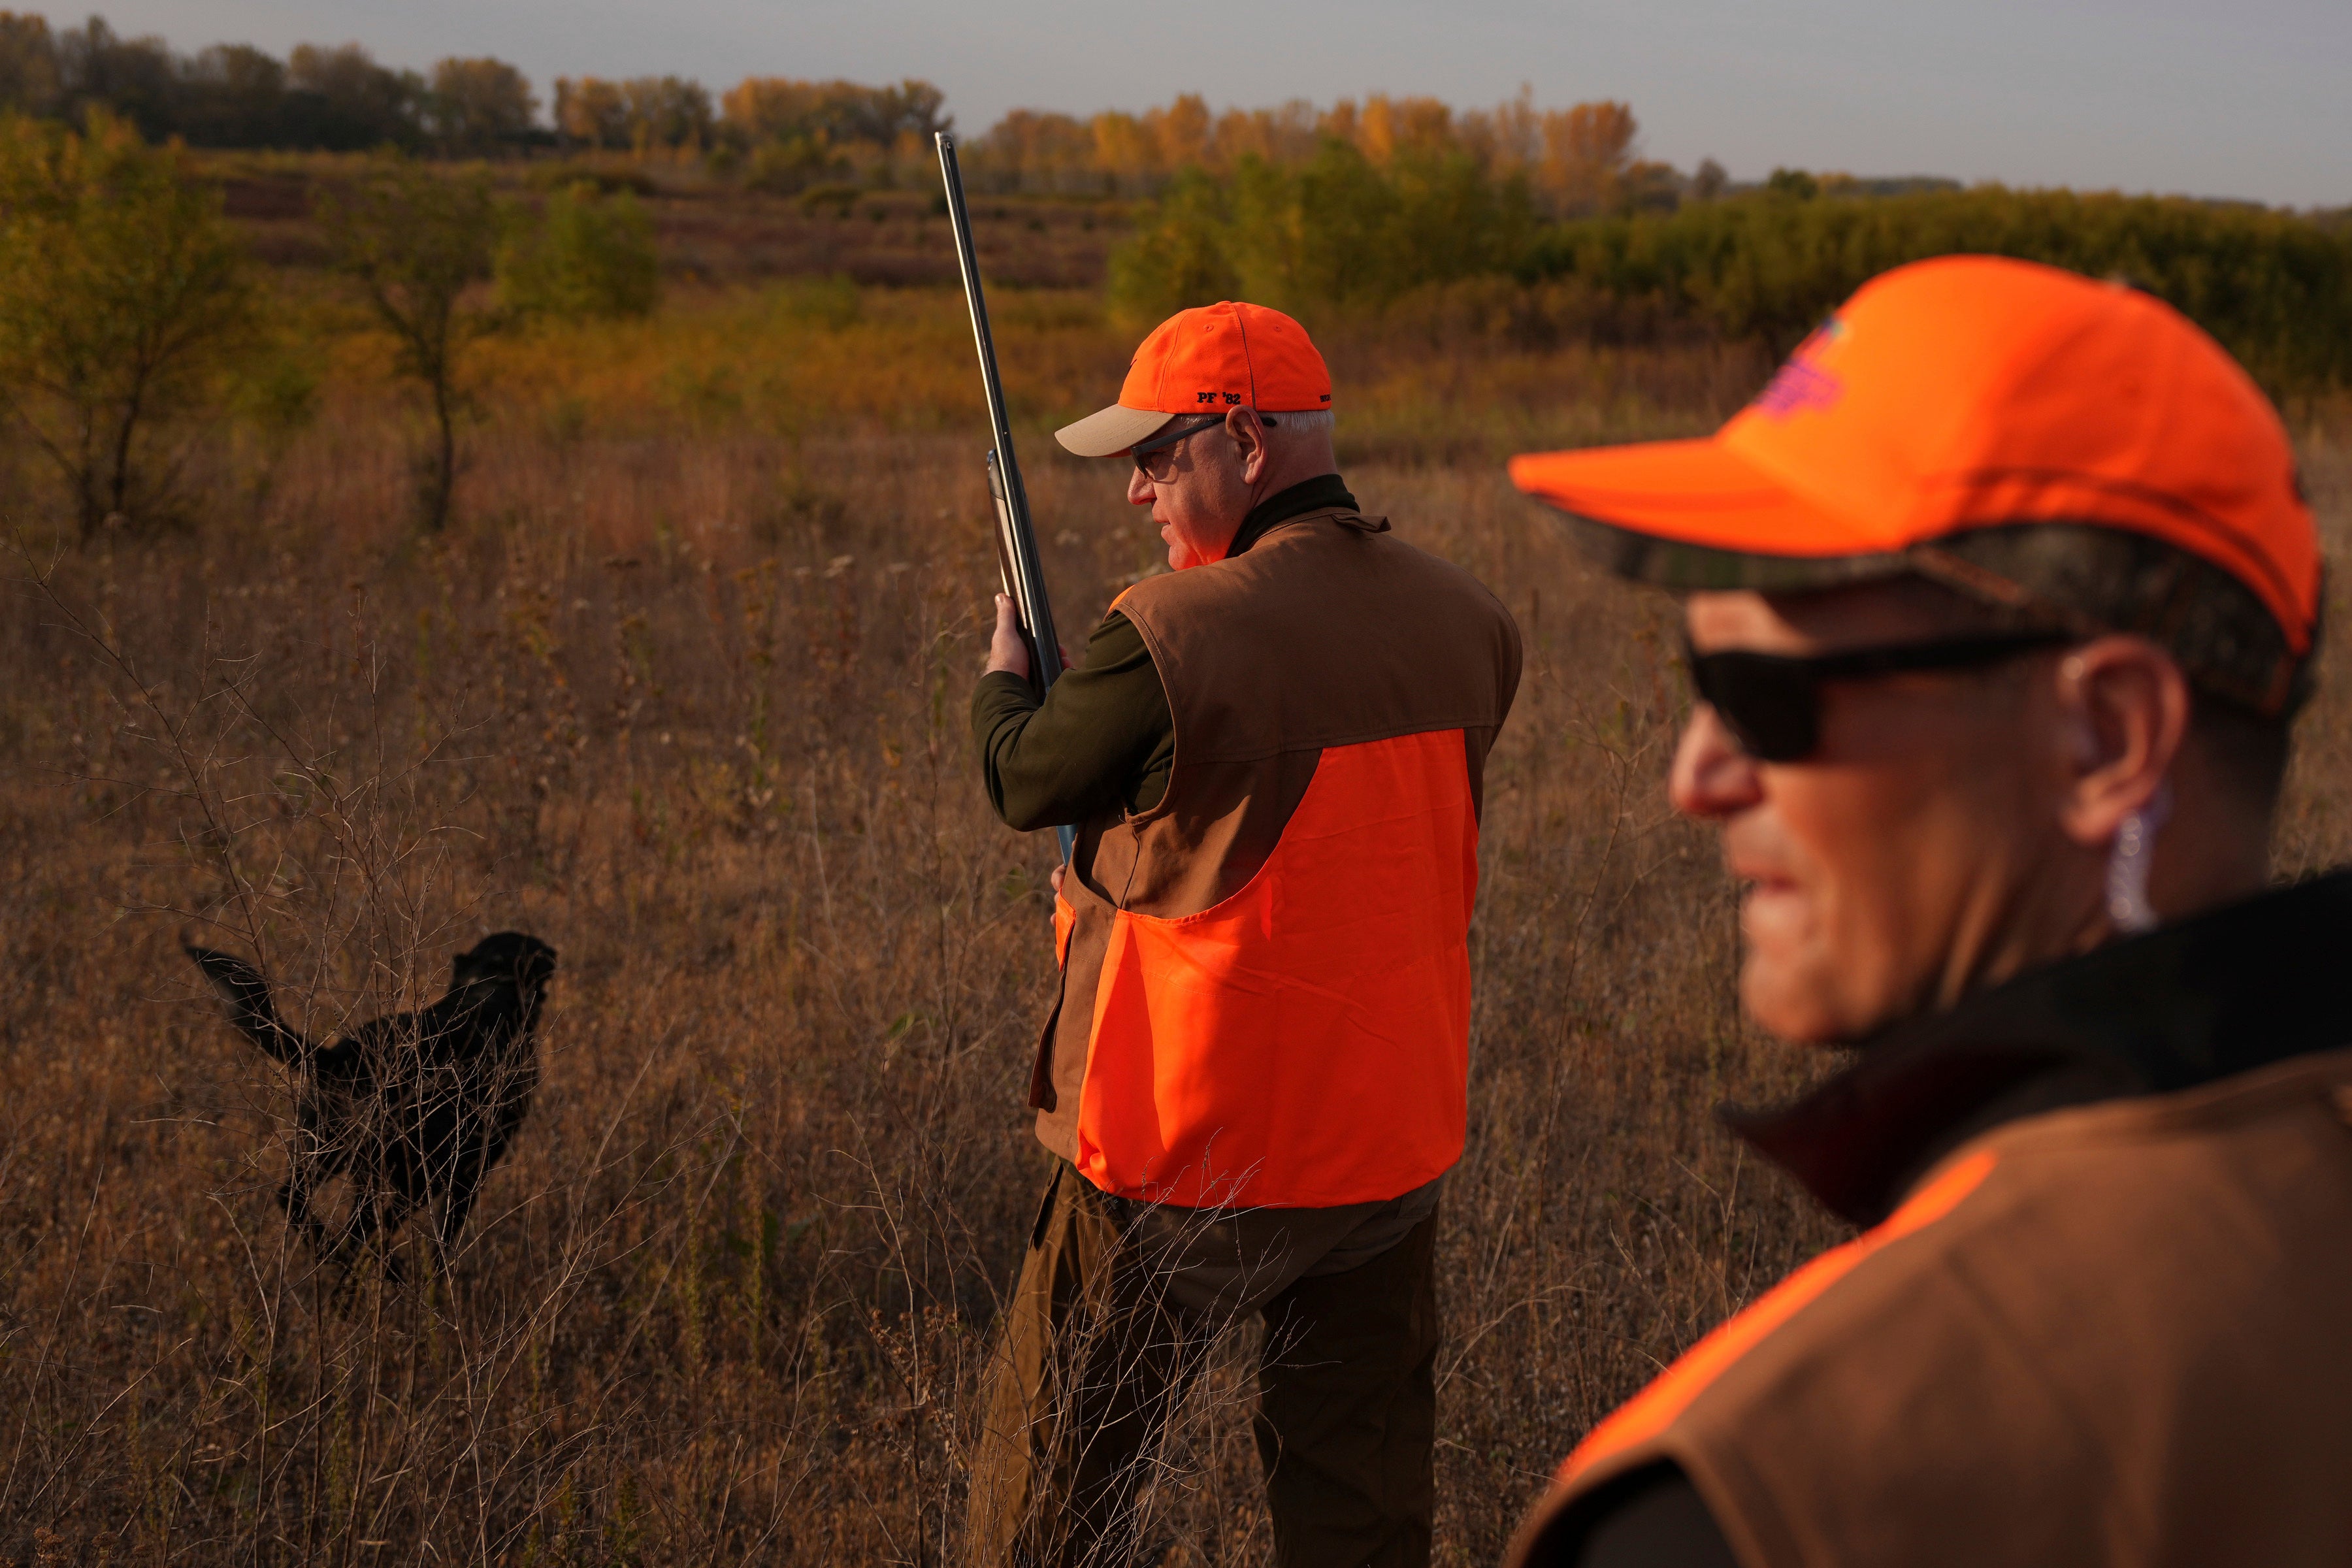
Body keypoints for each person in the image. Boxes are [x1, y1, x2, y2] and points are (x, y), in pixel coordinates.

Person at [1501, 253, 2352, 1567]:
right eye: (1695, 680)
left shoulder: (1749, 1501)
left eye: (1766, 696)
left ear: (2106, 738)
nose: (1695, 777)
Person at [965, 300, 1522, 1567]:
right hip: (1385, 1146)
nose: (1138, 495)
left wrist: (1008, 675)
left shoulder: (1170, 632)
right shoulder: (1472, 621)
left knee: (1051, 1499)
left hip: (1185, 1147)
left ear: (1248, 441)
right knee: (1361, 1517)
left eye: (1158, 456)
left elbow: (1024, 782)